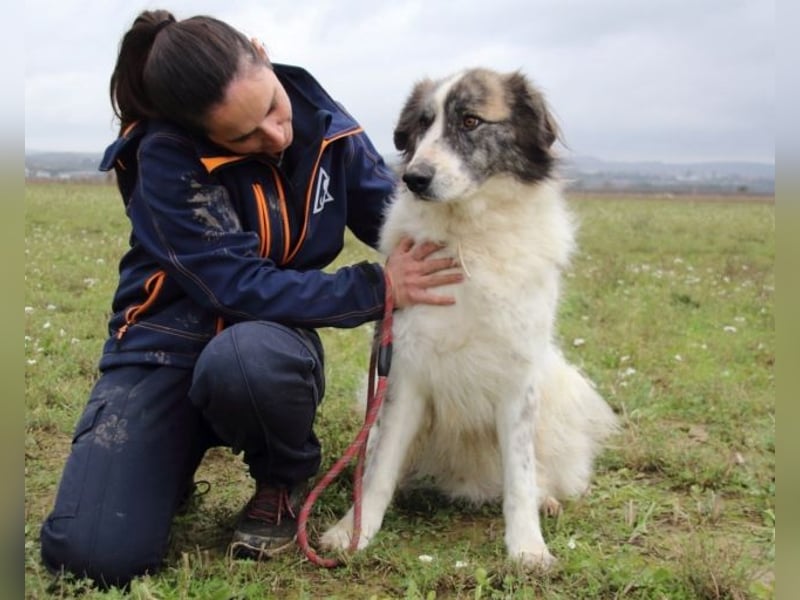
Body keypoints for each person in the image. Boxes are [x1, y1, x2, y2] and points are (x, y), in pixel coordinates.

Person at [39, 8, 462, 588]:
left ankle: (280, 480)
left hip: (266, 351)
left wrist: (473, 230)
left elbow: (393, 218)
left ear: (262, 53)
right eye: (243, 135)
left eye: (270, 108)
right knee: (92, 557)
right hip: (163, 349)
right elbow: (235, 284)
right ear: (196, 129)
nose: (276, 135)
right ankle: (167, 458)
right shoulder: (162, 155)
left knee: (247, 358)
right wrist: (376, 286)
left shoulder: (324, 121)